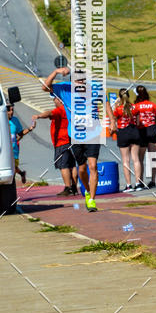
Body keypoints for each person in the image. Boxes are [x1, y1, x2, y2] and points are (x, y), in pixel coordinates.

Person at [42, 66, 102, 212]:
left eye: (83, 81)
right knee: (82, 169)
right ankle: (87, 191)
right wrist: (56, 72)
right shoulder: (64, 89)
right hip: (75, 135)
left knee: (93, 166)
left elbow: (104, 100)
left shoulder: (92, 89)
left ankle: (92, 200)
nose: (81, 84)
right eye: (78, 81)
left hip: (93, 133)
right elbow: (45, 87)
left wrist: (111, 120)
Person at [32, 98, 78, 196]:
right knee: (72, 165)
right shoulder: (69, 109)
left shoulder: (60, 110)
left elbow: (49, 113)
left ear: (61, 101)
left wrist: (39, 116)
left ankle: (67, 188)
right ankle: (74, 187)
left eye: (55, 99)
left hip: (62, 142)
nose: (53, 101)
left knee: (63, 165)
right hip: (70, 140)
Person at [131, 86, 156, 189]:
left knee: (140, 158)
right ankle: (153, 181)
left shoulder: (136, 106)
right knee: (152, 157)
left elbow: (135, 121)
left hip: (142, 130)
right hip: (153, 130)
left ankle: (140, 181)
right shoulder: (154, 106)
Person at [107, 89, 138, 192]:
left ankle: (129, 185)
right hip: (134, 131)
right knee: (136, 159)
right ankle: (138, 183)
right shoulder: (134, 107)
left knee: (126, 160)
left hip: (123, 133)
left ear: (120, 97)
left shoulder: (118, 109)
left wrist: (115, 104)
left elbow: (112, 119)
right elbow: (137, 122)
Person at [7, 104, 34, 184]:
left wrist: (29, 129)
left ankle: (11, 192)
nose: (11, 112)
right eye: (9, 110)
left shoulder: (15, 120)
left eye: (12, 110)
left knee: (12, 172)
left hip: (14, 150)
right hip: (3, 150)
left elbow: (20, 133)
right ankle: (22, 173)